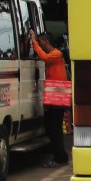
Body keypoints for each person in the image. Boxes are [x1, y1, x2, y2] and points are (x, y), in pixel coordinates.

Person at [31, 30, 69, 168]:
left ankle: (59, 157)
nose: (40, 46)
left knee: (54, 129)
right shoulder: (55, 55)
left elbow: (44, 57)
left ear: (46, 42)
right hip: (52, 96)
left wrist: (34, 42)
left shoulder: (56, 54)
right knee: (52, 128)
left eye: (41, 42)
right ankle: (61, 155)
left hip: (56, 98)